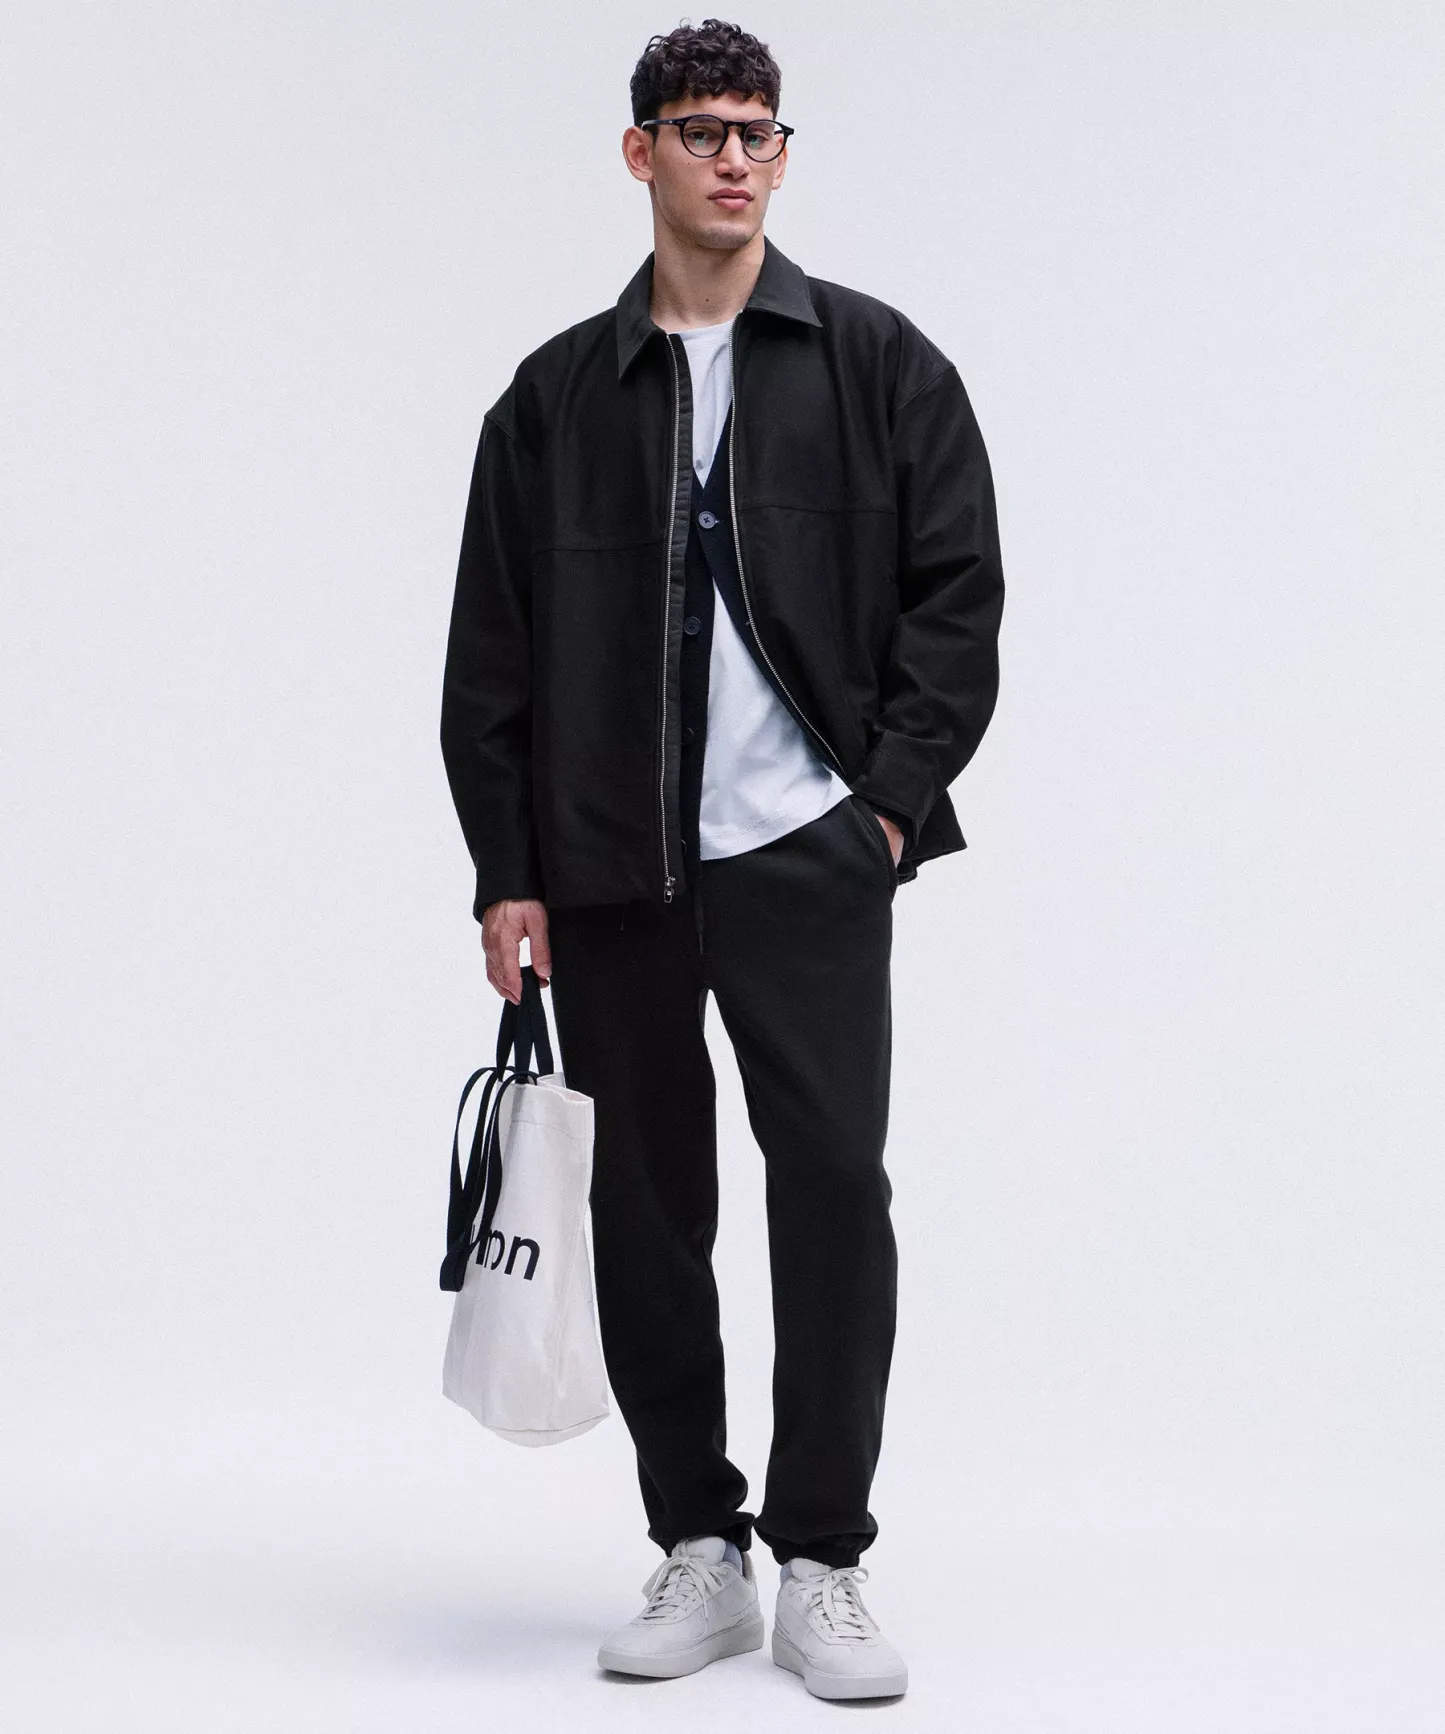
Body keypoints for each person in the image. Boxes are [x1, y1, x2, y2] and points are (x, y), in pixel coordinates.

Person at [440, 16, 1004, 1702]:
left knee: (832, 1191)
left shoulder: (878, 365)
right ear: (642, 154)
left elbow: (958, 603)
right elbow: (490, 656)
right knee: (644, 1205)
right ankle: (698, 1540)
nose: (737, 158)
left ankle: (823, 1556)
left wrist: (880, 811)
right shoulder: (553, 398)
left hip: (803, 856)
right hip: (610, 869)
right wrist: (508, 869)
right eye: (702, 130)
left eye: (761, 130)